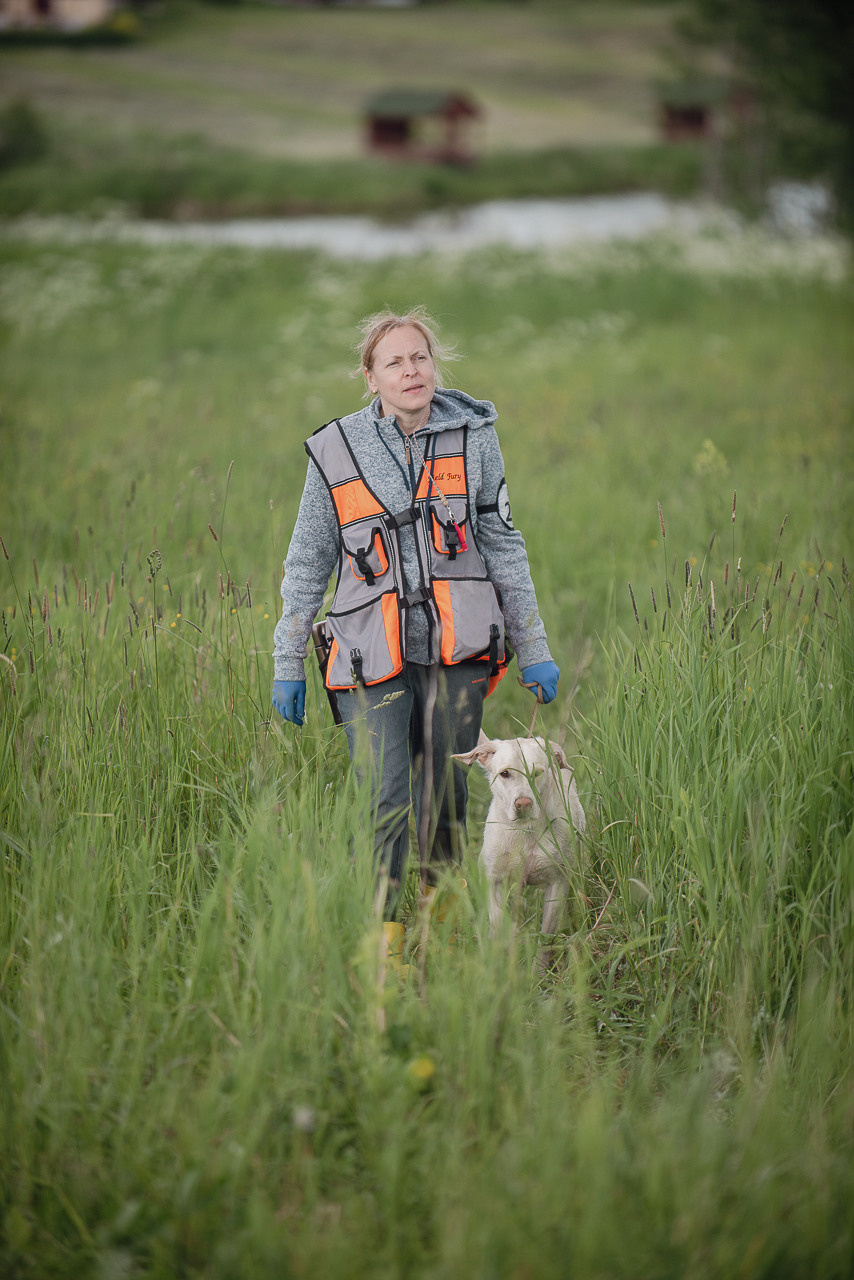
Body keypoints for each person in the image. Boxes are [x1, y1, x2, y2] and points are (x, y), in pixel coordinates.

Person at [272, 307, 559, 938]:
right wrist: (287, 661)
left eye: (420, 357)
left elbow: (502, 543)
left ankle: (441, 925)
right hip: (365, 655)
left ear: (435, 365)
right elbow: (306, 563)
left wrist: (532, 644)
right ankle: (386, 940)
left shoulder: (474, 435)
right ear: (370, 377)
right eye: (394, 362)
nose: (411, 370)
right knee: (384, 798)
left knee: (448, 796)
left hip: (457, 651)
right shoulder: (336, 449)